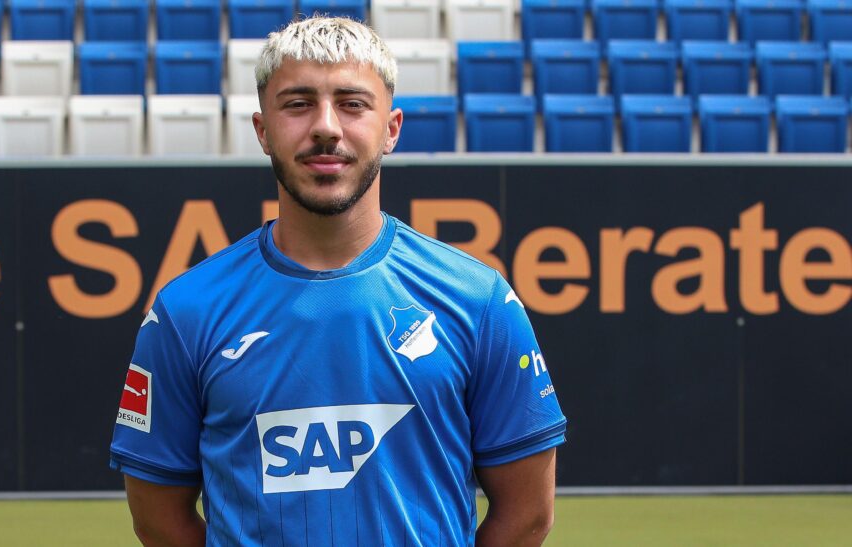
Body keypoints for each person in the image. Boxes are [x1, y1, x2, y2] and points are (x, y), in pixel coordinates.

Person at [109, 16, 566, 547]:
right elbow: (158, 521)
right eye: (298, 104)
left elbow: (528, 515)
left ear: (391, 128)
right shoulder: (185, 312)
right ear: (263, 130)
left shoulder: (479, 300)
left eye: (352, 104)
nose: (326, 126)